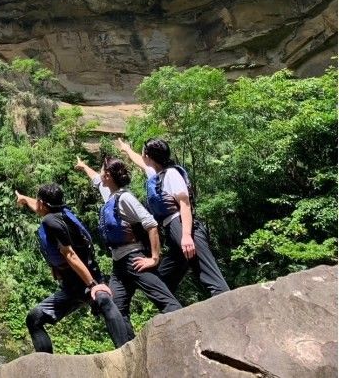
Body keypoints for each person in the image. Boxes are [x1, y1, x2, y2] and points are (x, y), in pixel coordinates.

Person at [75, 156, 181, 340]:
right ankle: (128, 349)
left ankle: (187, 336)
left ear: (108, 175)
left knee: (165, 300)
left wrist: (154, 258)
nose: (100, 175)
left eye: (102, 171)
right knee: (116, 309)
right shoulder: (111, 196)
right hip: (119, 265)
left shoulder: (125, 198)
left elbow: (151, 223)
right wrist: (84, 167)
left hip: (134, 259)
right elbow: (96, 180)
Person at [15, 183, 130, 352]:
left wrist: (92, 285)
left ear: (43, 204)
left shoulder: (50, 221)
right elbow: (41, 207)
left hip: (81, 283)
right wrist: (25, 199)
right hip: (82, 281)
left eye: (38, 201)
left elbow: (70, 255)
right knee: (35, 318)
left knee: (103, 299)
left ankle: (125, 352)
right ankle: (46, 363)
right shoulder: (63, 213)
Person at [117, 137, 229, 297]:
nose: (141, 155)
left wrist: (186, 236)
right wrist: (126, 149)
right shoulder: (157, 174)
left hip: (182, 227)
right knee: (162, 284)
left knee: (211, 278)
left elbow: (185, 204)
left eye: (143, 152)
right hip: (173, 231)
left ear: (149, 156)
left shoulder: (171, 174)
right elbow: (140, 162)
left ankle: (230, 311)